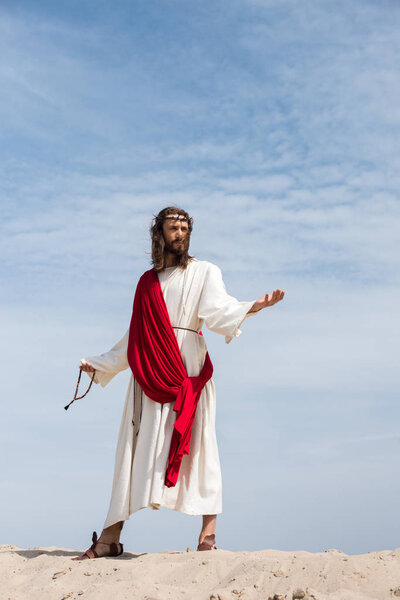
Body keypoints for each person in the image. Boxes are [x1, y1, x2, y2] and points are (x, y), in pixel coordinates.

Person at [73, 206, 285, 560]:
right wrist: (99, 365)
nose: (181, 233)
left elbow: (218, 310)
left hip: (188, 370)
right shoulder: (146, 282)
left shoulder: (205, 272)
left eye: (186, 227)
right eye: (174, 227)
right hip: (150, 372)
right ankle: (110, 538)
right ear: (160, 234)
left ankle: (208, 534)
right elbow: (135, 338)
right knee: (134, 450)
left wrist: (251, 307)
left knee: (202, 448)